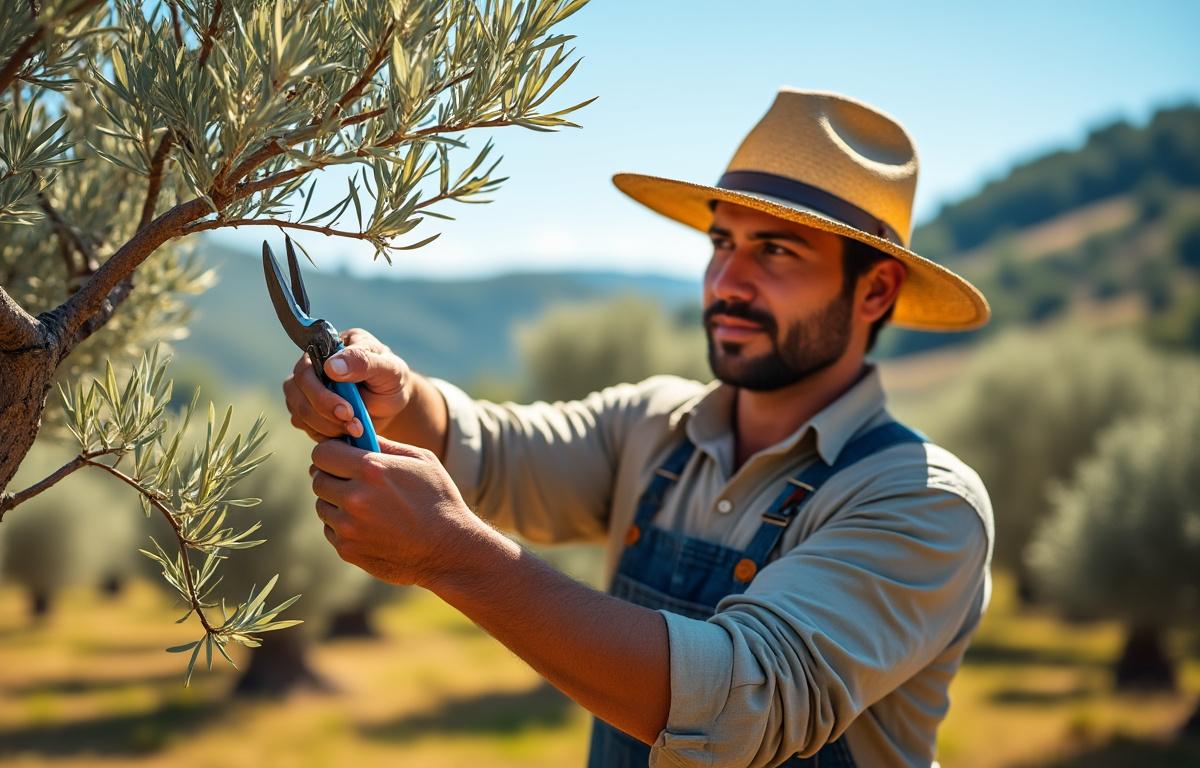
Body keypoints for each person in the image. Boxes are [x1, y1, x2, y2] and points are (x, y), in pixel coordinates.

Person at [284, 87, 994, 767]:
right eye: (722, 243)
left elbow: (740, 707)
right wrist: (395, 397)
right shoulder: (655, 425)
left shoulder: (924, 502)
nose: (727, 283)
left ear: (876, 289)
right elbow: (496, 453)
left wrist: (454, 555)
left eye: (777, 251)